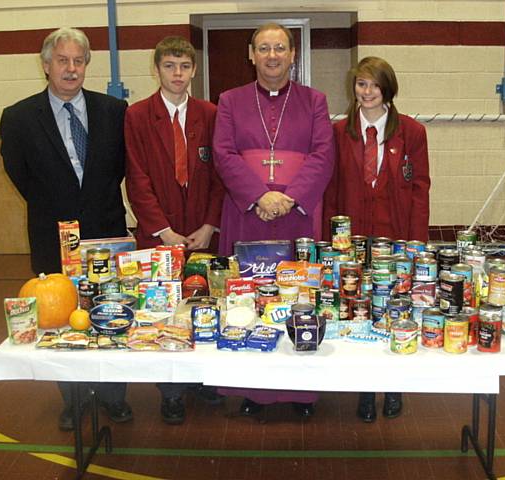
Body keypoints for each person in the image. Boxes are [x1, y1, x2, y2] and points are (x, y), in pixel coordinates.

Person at [0, 27, 133, 431]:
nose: (71, 69)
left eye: (78, 60)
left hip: (106, 233)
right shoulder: (18, 118)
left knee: (111, 313)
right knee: (59, 318)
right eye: (62, 60)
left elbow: (122, 168)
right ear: (45, 65)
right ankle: (73, 399)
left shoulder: (114, 111)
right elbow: (19, 175)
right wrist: (59, 210)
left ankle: (114, 396)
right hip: (51, 238)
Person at [213, 23, 335, 418]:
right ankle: (254, 388)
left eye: (279, 48)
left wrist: (290, 198)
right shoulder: (230, 100)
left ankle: (302, 391)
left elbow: (323, 155)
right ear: (251, 54)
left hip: (297, 215)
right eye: (263, 48)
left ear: (293, 54)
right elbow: (224, 154)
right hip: (247, 212)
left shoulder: (314, 100)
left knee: (297, 297)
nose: (272, 56)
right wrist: (258, 196)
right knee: (250, 295)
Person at [124, 36, 225, 425]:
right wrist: (162, 230)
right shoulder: (136, 116)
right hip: (158, 234)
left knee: (204, 304)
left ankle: (202, 380)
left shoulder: (211, 114)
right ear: (157, 69)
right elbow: (137, 178)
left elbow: (220, 176)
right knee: (164, 311)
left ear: (194, 69)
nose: (177, 74)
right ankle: (170, 393)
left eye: (184, 66)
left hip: (203, 232)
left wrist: (210, 224)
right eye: (169, 66)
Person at [323, 56, 430, 422]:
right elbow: (331, 190)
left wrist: (415, 244)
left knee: (395, 309)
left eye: (373, 85)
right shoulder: (338, 132)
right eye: (360, 84)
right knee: (362, 311)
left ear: (387, 89)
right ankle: (366, 391)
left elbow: (420, 189)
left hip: (395, 238)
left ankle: (394, 386)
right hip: (352, 242)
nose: (366, 92)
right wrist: (331, 242)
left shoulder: (413, 133)